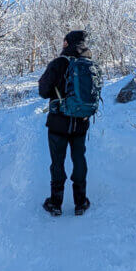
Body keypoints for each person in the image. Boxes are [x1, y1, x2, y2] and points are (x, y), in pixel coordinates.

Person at [38, 30, 101, 216]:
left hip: (58, 123)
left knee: (57, 162)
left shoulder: (59, 63)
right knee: (79, 159)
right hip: (81, 123)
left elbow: (43, 91)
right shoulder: (91, 65)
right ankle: (80, 203)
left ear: (67, 43)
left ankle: (55, 203)